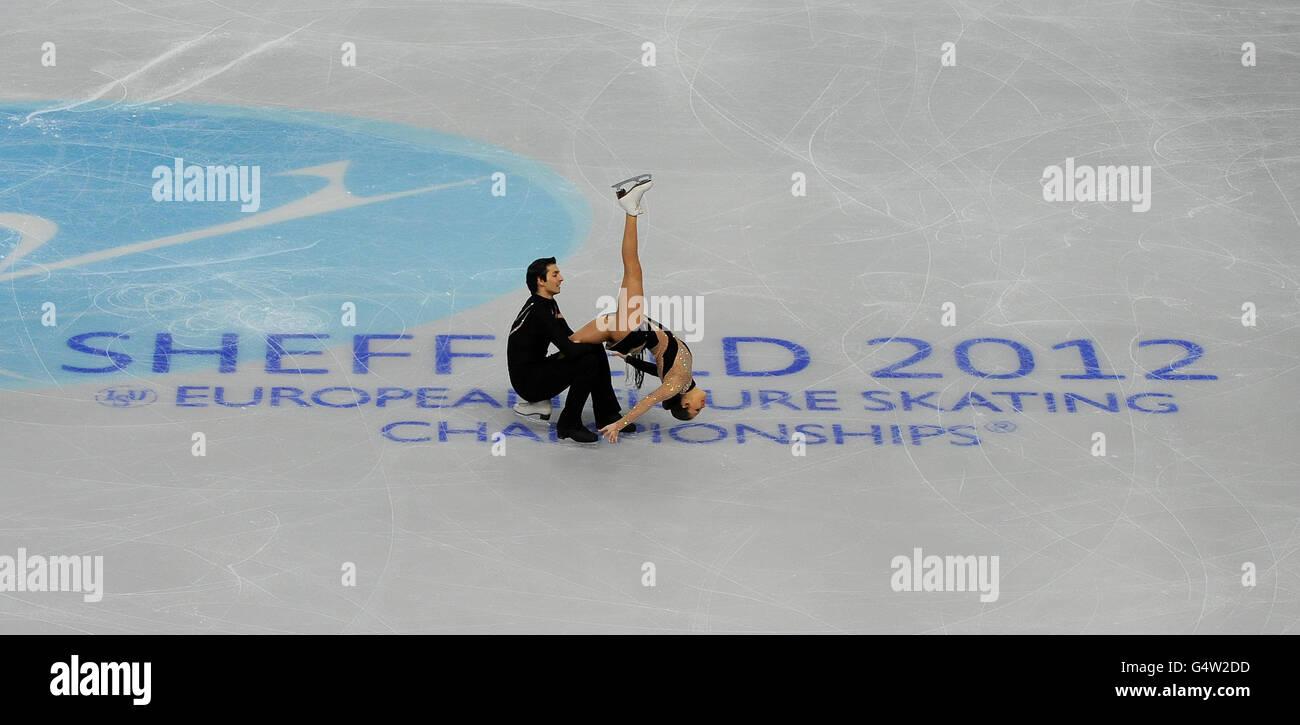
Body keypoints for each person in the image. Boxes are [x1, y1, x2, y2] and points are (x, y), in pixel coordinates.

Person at [565, 174, 707, 443]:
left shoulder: (677, 385)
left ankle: (630, 208)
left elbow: (648, 402)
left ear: (685, 403)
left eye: (697, 409)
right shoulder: (680, 380)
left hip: (632, 326)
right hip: (627, 332)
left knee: (632, 266)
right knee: (571, 346)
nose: (703, 405)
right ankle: (536, 397)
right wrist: (628, 359)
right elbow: (659, 371)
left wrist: (619, 423)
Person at [507, 257, 633, 443]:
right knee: (588, 361)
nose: (561, 278)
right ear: (541, 281)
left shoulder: (547, 303)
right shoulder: (540, 312)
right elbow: (570, 349)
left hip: (537, 369)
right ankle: (569, 424)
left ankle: (607, 413)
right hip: (529, 382)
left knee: (593, 349)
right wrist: (604, 334)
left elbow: (572, 337)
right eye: (555, 274)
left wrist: (599, 337)